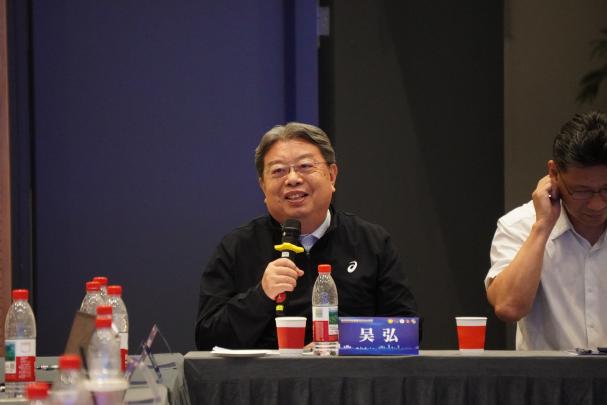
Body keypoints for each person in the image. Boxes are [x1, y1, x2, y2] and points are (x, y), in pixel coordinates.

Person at [195, 122, 418, 350]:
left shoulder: (371, 242)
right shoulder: (237, 247)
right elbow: (207, 339)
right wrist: (261, 295)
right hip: (269, 374)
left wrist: (346, 343)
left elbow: (408, 331)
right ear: (263, 186)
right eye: (278, 171)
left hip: (349, 372)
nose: (292, 179)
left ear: (332, 175)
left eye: (305, 166)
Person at [485, 111, 607, 350]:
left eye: (606, 189)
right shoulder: (520, 225)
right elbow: (509, 307)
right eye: (581, 191)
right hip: (550, 375)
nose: (596, 204)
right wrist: (542, 227)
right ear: (553, 173)